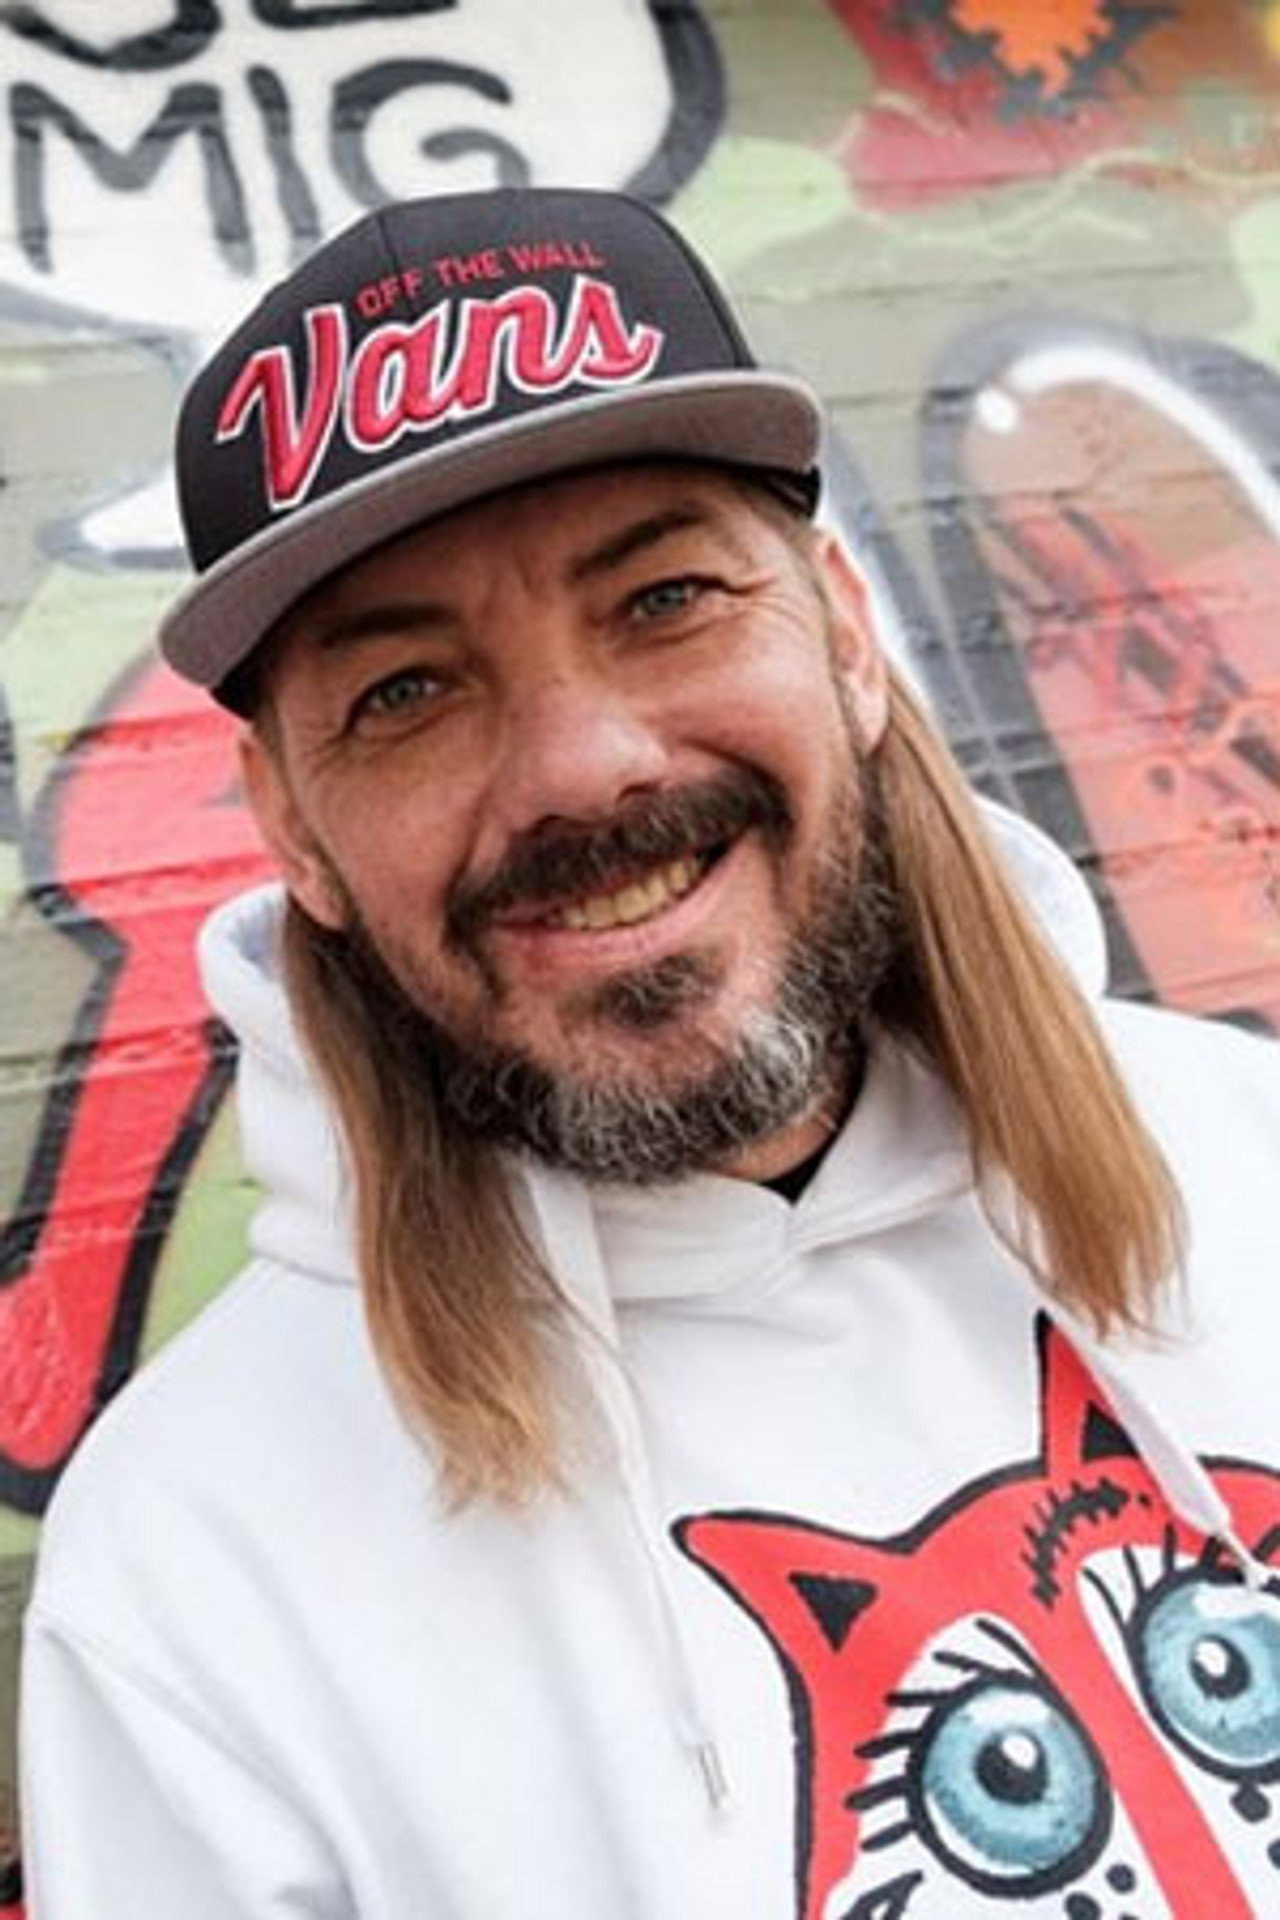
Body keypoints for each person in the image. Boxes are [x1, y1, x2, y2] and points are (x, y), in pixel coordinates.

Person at [19, 188, 1280, 1919]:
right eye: (407, 693)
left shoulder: (1255, 1157)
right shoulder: (190, 1575)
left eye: (666, 598)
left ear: (844, 635)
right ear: (292, 826)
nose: (580, 765)